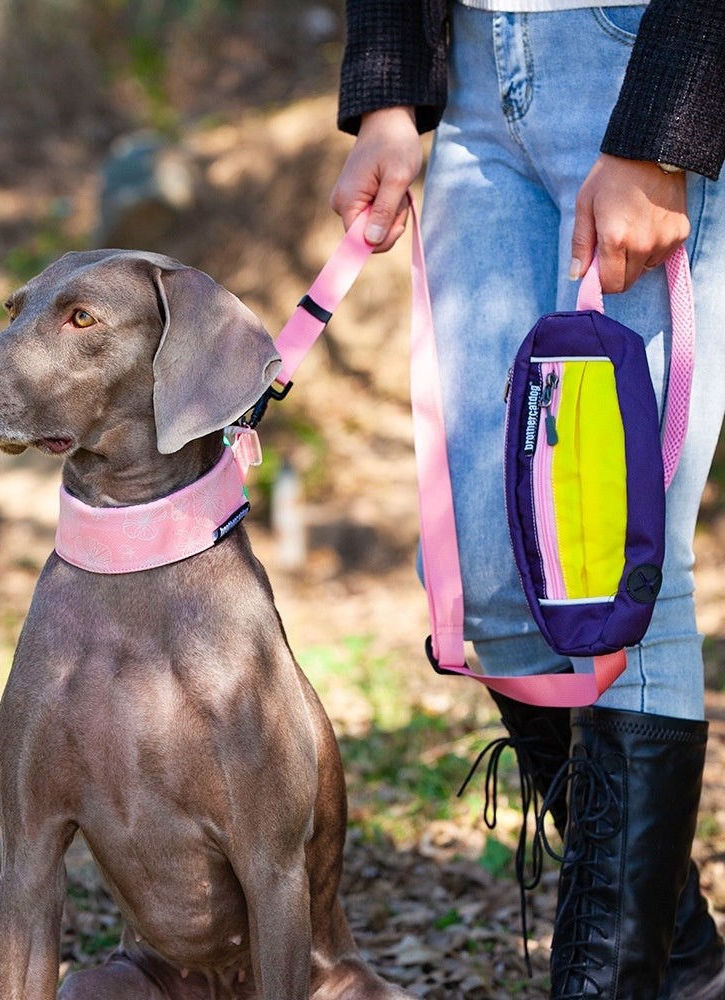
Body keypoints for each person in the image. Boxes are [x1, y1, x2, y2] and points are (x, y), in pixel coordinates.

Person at [330, 1, 725, 998]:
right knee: (486, 578)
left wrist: (662, 128)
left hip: (634, 52)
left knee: (613, 560)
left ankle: (612, 979)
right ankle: (677, 955)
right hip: (470, 81)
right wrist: (387, 97)